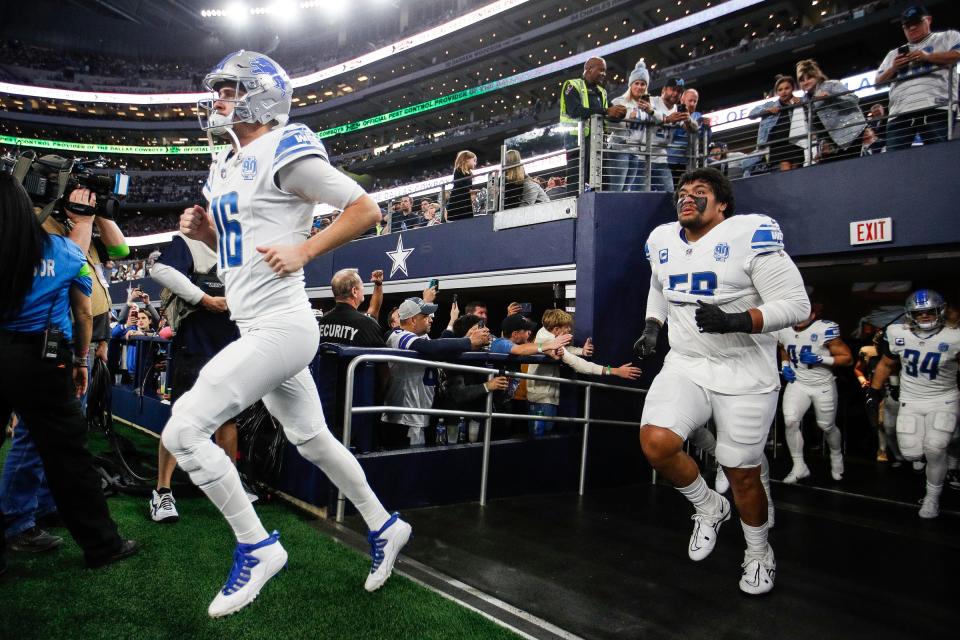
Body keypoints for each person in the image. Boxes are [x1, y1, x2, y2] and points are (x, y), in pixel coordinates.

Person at [170, 50, 411, 617]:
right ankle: (384, 524)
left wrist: (305, 248)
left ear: (260, 94)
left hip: (282, 324)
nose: (219, 100)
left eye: (230, 90)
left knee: (183, 431)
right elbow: (233, 257)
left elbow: (364, 207)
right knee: (311, 438)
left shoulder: (283, 147)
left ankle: (257, 546)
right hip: (258, 321)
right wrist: (207, 234)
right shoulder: (225, 164)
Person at [633, 167, 809, 595]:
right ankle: (708, 506)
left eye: (700, 192)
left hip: (744, 367)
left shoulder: (750, 234)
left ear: (723, 203)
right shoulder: (662, 239)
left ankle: (758, 552)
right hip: (688, 361)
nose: (687, 198)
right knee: (656, 442)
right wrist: (653, 325)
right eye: (682, 192)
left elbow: (797, 305)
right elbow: (661, 283)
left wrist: (739, 319)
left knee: (741, 473)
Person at [0, 172, 139, 573]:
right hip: (41, 361)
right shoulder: (62, 251)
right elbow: (81, 312)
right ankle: (102, 544)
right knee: (69, 457)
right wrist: (81, 360)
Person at [147, 231, 243, 523]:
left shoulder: (241, 243)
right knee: (182, 419)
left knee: (228, 417)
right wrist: (204, 299)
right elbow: (160, 270)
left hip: (233, 345)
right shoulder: (189, 241)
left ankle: (230, 486)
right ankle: (162, 492)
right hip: (194, 344)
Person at [867, 289, 960, 519]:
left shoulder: (954, 336)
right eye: (920, 313)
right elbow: (886, 365)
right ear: (910, 315)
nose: (925, 316)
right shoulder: (898, 333)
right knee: (911, 453)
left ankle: (931, 498)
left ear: (941, 311)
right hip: (911, 400)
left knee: (934, 447)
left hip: (943, 398)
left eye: (930, 312)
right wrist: (873, 391)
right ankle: (950, 451)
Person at [382, 297, 490, 446]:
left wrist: (467, 338)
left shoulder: (420, 336)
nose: (431, 320)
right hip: (405, 417)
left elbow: (441, 346)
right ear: (413, 320)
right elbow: (432, 347)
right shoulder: (398, 336)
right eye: (426, 317)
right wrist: (468, 341)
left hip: (421, 414)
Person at [526, 309, 640, 436]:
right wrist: (614, 371)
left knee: (542, 437)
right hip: (541, 399)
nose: (570, 330)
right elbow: (580, 365)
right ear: (557, 329)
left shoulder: (546, 334)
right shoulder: (547, 341)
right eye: (567, 327)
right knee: (541, 438)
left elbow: (566, 350)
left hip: (542, 396)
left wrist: (582, 351)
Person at [775, 312, 853, 483]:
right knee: (790, 421)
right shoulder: (784, 328)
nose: (800, 316)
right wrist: (785, 365)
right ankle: (799, 466)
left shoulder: (824, 329)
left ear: (813, 314)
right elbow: (784, 348)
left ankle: (836, 454)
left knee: (826, 426)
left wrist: (821, 358)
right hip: (798, 382)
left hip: (822, 385)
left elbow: (847, 359)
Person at [875, 5, 960, 152]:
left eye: (916, 23)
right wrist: (894, 68)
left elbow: (957, 55)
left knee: (939, 156)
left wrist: (927, 57)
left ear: (928, 20)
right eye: (907, 26)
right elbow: (878, 82)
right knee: (894, 162)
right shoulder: (893, 54)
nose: (912, 28)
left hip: (936, 106)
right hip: (900, 113)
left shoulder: (948, 36)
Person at [560, 57, 627, 193]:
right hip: (577, 143)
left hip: (598, 143)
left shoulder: (602, 92)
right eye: (601, 70)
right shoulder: (572, 85)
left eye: (605, 71)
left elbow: (608, 114)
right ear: (589, 69)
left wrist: (619, 113)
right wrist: (606, 111)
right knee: (577, 182)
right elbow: (575, 111)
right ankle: (574, 213)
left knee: (603, 181)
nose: (604, 74)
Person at [796, 59, 866, 162]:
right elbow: (813, 127)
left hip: (851, 133)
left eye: (809, 77)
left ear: (817, 76)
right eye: (802, 80)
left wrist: (831, 97)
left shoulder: (830, 85)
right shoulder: (805, 100)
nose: (805, 82)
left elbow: (853, 99)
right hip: (834, 142)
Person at [607, 59, 659, 192]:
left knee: (627, 190)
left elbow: (656, 126)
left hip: (636, 152)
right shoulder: (619, 101)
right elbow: (608, 125)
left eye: (643, 84)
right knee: (617, 189)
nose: (640, 87)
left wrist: (650, 112)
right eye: (637, 83)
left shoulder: (648, 106)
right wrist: (627, 117)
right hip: (620, 149)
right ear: (631, 85)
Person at [749, 75, 806, 171]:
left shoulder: (800, 100)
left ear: (792, 88)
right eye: (780, 90)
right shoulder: (770, 104)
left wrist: (801, 103)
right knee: (786, 169)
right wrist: (767, 110)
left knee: (797, 169)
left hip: (797, 141)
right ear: (777, 92)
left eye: (787, 88)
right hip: (778, 144)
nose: (783, 91)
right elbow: (751, 114)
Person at [318, 269, 386, 347]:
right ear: (354, 291)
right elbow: (381, 357)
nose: (363, 289)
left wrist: (378, 285)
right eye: (362, 286)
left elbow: (373, 311)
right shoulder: (367, 324)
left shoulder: (322, 322)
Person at [446, 150, 476, 220]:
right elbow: (460, 185)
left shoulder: (469, 174)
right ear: (466, 160)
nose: (475, 163)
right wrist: (470, 191)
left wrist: (471, 191)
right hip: (458, 203)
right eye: (474, 160)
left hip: (465, 203)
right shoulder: (458, 170)